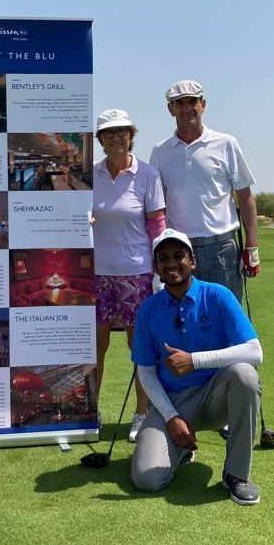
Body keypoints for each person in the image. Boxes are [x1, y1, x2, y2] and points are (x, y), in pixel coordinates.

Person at [130, 229, 263, 505]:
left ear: (193, 261)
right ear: (155, 267)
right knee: (146, 479)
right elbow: (145, 372)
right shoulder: (148, 310)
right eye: (163, 258)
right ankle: (180, 449)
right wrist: (170, 417)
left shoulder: (218, 296)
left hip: (215, 398)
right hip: (173, 402)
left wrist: (195, 360)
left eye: (179, 256)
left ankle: (236, 475)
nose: (171, 263)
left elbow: (254, 352)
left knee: (245, 375)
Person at [90, 109, 166, 442]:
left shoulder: (147, 175)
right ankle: (90, 410)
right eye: (109, 133)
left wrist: (159, 271)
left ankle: (141, 413)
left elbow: (157, 225)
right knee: (96, 345)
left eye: (123, 132)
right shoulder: (89, 174)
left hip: (137, 272)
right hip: (97, 272)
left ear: (131, 136)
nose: (117, 138)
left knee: (140, 346)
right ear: (101, 141)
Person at [149, 80, 260, 302]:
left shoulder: (226, 143)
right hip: (178, 251)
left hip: (222, 249)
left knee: (225, 322)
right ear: (171, 109)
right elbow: (156, 208)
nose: (187, 108)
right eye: (180, 103)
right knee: (182, 322)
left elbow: (245, 197)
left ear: (203, 105)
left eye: (193, 102)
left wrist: (251, 246)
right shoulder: (160, 152)